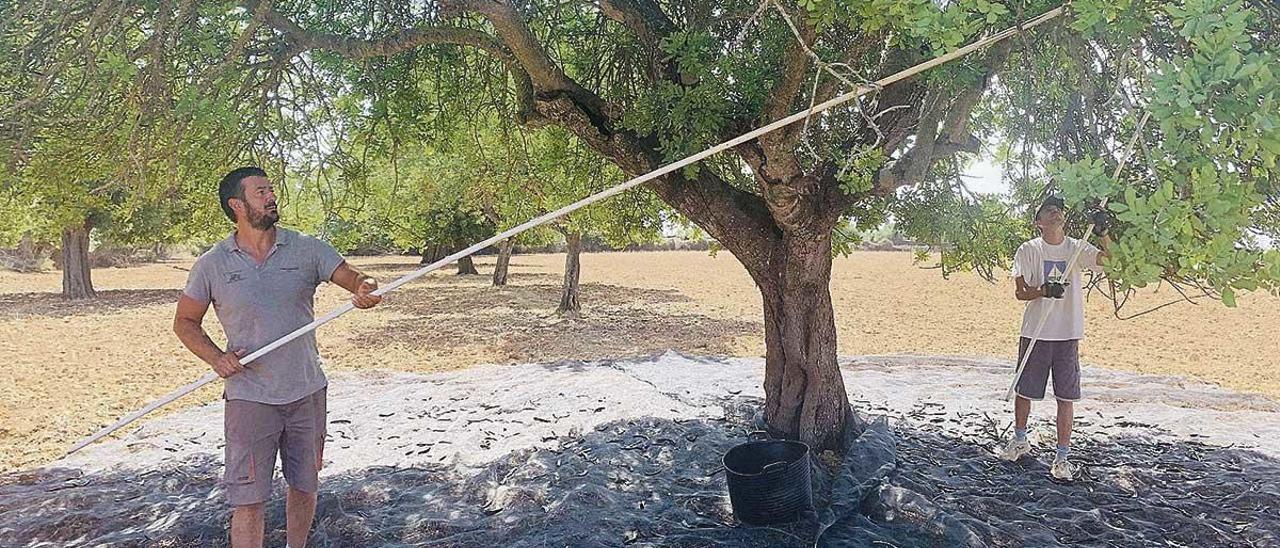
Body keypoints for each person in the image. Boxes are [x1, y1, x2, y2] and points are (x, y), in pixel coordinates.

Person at [173, 166, 382, 547]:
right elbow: (185, 323)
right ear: (237, 205)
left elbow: (353, 277)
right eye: (260, 192)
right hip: (250, 398)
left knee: (304, 486)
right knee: (249, 499)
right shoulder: (212, 264)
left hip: (306, 391)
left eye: (271, 190)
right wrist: (216, 358)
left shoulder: (306, 248)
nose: (271, 197)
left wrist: (365, 287)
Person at [1000, 195, 1110, 481]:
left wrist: (1104, 232)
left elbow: (1109, 262)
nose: (1055, 213)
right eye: (1048, 210)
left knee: (1066, 397)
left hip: (1067, 334)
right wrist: (1043, 291)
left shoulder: (1076, 247)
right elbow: (1020, 292)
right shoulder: (1028, 250)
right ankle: (1020, 439)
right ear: (1038, 222)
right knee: (1025, 391)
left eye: (1058, 209)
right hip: (1035, 332)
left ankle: (1062, 458)